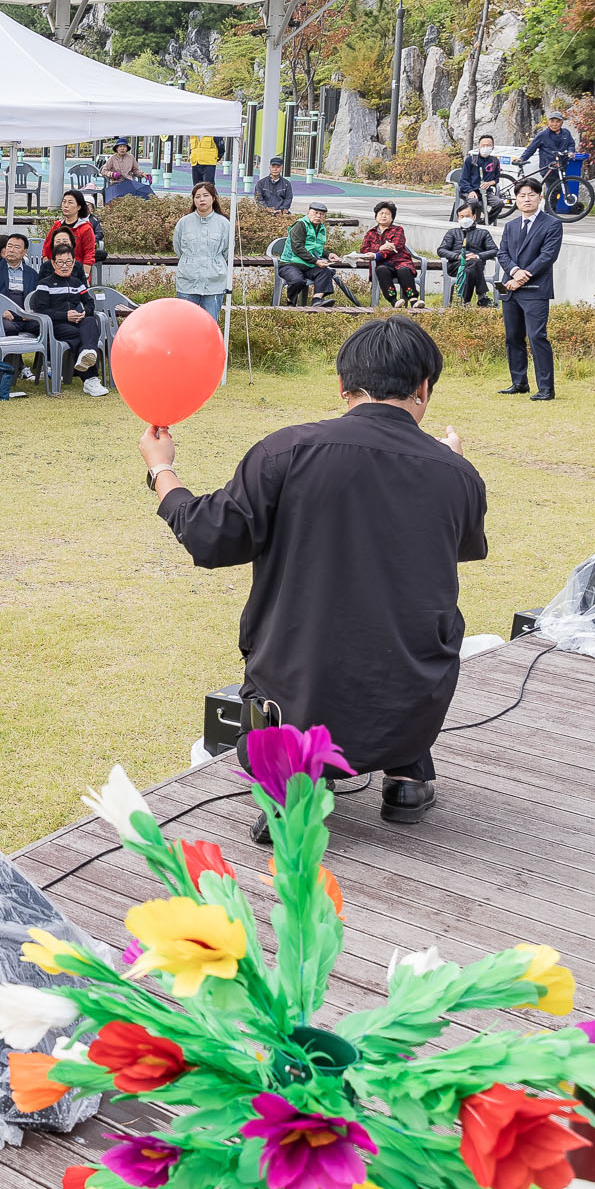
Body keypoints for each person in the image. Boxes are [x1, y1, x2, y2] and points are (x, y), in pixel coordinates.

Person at [143, 316, 486, 828]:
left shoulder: (287, 451)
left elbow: (211, 537)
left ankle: (294, 791)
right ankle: (407, 780)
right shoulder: (457, 472)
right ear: (424, 387)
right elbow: (453, 548)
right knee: (403, 635)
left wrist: (160, 468)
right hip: (411, 706)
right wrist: (449, 463)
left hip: (297, 696)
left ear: (343, 386)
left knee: (299, 666)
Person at [497, 176, 562, 400]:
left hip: (535, 289)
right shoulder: (511, 225)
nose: (526, 199)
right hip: (510, 287)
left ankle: (545, 388)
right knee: (513, 337)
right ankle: (519, 382)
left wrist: (523, 276)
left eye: (531, 195)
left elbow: (547, 256)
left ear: (540, 197)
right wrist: (514, 272)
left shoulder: (552, 224)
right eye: (522, 195)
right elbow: (502, 253)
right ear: (515, 199)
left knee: (537, 337)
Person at [25, 242, 106, 395]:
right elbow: (40, 310)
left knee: (90, 320)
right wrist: (65, 316)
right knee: (79, 335)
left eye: (68, 261)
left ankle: (87, 352)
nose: (64, 265)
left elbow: (89, 303)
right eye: (60, 262)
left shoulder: (77, 283)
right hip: (53, 325)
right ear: (53, 263)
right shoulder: (44, 284)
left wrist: (84, 313)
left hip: (75, 321)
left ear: (74, 262)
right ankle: (91, 378)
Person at [172, 183, 233, 319]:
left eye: (206, 196)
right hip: (187, 281)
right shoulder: (184, 223)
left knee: (209, 324)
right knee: (185, 324)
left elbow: (228, 251)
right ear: (194, 200)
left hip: (214, 282)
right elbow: (178, 248)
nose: (202, 200)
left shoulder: (224, 224)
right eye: (198, 196)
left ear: (213, 198)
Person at [273, 200, 343, 307]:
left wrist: (328, 255)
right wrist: (316, 261)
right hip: (289, 264)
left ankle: (317, 300)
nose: (318, 216)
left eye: (321, 214)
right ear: (308, 213)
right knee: (298, 280)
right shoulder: (300, 225)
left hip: (308, 265)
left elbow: (315, 248)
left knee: (325, 272)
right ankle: (290, 301)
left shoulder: (320, 228)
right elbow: (298, 248)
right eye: (315, 213)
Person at [362, 201, 421, 307]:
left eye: (387, 214)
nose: (384, 216)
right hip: (382, 264)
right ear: (376, 216)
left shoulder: (398, 230)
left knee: (404, 270)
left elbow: (396, 246)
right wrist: (380, 248)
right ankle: (394, 302)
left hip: (400, 261)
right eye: (381, 213)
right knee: (381, 270)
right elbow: (364, 250)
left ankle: (414, 301)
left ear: (392, 217)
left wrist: (376, 254)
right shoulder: (371, 233)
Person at [438, 203, 497, 307]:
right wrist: (458, 256)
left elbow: (494, 250)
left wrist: (478, 255)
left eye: (467, 216)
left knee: (473, 264)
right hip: (456, 265)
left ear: (474, 217)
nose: (464, 219)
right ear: (458, 218)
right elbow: (441, 250)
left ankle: (464, 302)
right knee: (474, 264)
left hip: (475, 266)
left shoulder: (483, 233)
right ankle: (482, 297)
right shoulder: (452, 233)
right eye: (462, 216)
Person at [520, 113, 576, 186]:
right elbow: (531, 148)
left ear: (562, 122)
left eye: (557, 121)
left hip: (562, 166)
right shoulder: (542, 135)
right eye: (552, 121)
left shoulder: (566, 133)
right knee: (554, 190)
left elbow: (571, 144)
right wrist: (522, 158)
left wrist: (570, 151)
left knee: (562, 188)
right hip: (548, 168)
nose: (554, 124)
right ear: (548, 122)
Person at [454, 135, 503, 217]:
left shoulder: (495, 161)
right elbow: (463, 180)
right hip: (470, 191)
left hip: (486, 192)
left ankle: (485, 223)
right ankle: (471, 222)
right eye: (483, 145)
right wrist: (470, 191)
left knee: (499, 203)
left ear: (492, 147)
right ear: (479, 146)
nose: (486, 147)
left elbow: (496, 179)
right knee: (474, 202)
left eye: (488, 145)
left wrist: (489, 183)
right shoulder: (471, 160)